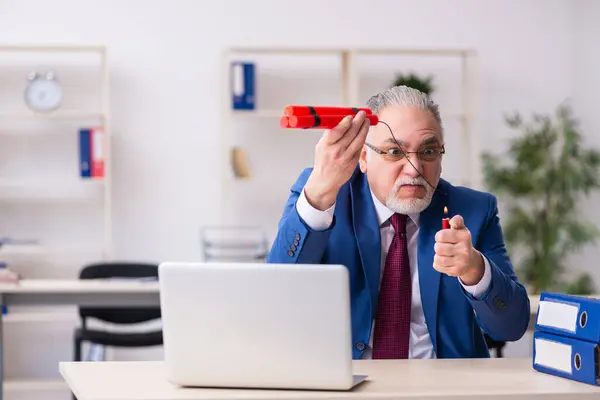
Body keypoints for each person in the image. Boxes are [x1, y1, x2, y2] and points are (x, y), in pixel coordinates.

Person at [266, 85, 530, 360]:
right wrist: (319, 195)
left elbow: (511, 327)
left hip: (445, 388)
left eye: (428, 152)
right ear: (364, 157)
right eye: (394, 151)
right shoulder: (325, 189)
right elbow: (276, 297)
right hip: (347, 382)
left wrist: (476, 270)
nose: (414, 168)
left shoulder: (473, 210)